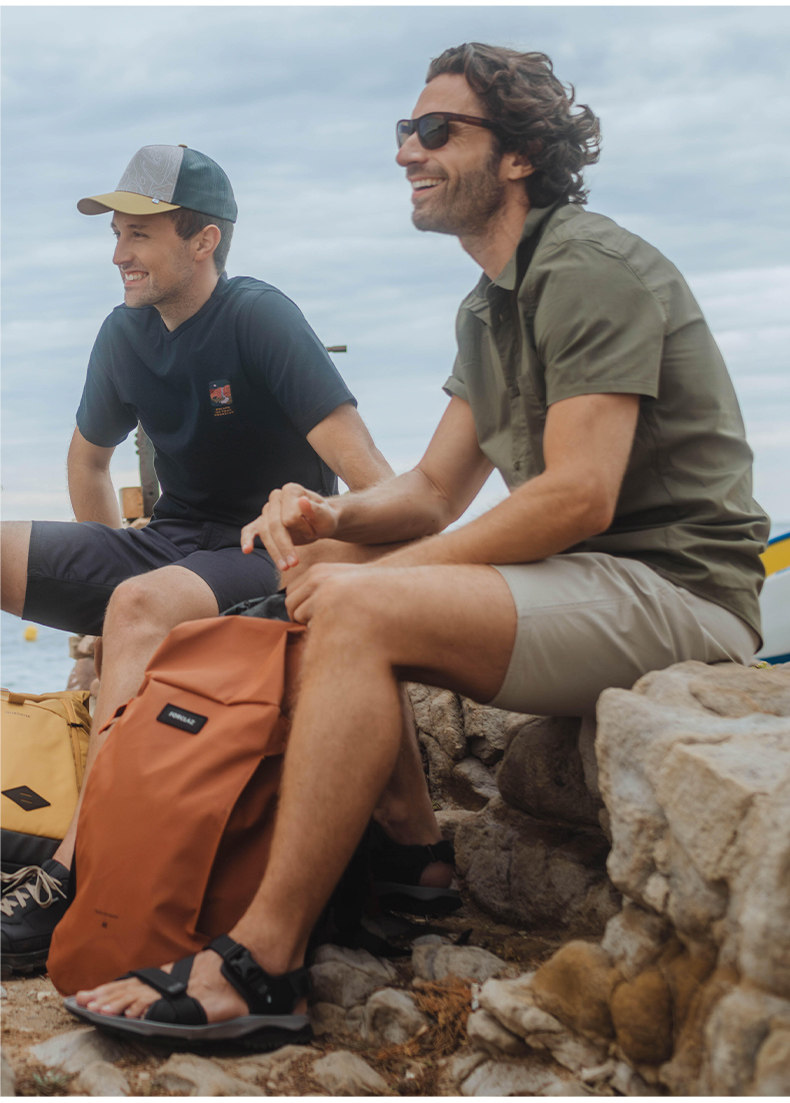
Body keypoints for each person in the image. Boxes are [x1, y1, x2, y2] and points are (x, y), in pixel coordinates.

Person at [71, 44, 768, 1045]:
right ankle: (412, 865)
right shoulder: (489, 306)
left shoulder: (587, 266)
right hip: (591, 578)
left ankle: (261, 960)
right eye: (405, 129)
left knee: (358, 604)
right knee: (326, 571)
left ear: (519, 155)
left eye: (436, 130)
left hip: (676, 588)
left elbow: (578, 492)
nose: (407, 150)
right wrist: (327, 519)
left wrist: (380, 574)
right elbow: (433, 490)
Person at [1, 143, 456, 975]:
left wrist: (328, 552)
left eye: (138, 234)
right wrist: (106, 594)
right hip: (170, 540)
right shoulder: (124, 331)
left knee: (141, 603)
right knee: (87, 582)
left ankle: (75, 868)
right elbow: (88, 462)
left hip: (264, 548)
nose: (118, 253)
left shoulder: (258, 316)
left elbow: (376, 483)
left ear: (203, 239)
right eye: (116, 234)